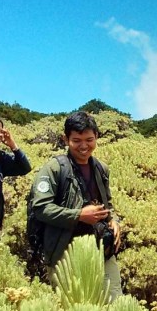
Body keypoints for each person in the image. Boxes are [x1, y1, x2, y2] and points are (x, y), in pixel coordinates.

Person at [29, 111, 122, 299]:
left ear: (96, 137)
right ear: (66, 139)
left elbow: (107, 204)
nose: (84, 146)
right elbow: (40, 208)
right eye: (77, 140)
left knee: (114, 302)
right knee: (74, 310)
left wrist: (114, 221)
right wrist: (79, 215)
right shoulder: (54, 169)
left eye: (89, 139)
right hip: (64, 252)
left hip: (100, 250)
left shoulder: (101, 169)